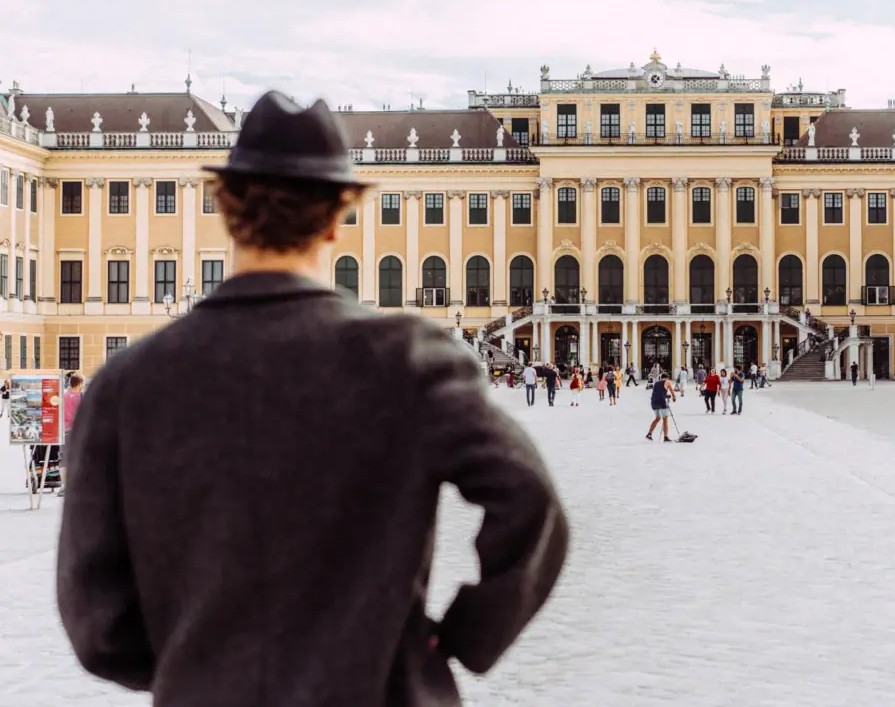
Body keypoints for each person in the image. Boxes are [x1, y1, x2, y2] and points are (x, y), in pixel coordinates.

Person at [56, 92, 569, 706]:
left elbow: (93, 607)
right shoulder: (410, 361)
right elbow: (531, 503)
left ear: (225, 210)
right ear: (335, 219)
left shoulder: (126, 382)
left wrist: (196, 660)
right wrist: (460, 636)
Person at [57, 374, 85, 497]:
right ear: (79, 384)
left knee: (63, 458)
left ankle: (64, 486)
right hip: (78, 430)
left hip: (64, 430)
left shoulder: (63, 396)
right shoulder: (82, 397)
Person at [645, 372, 677, 442]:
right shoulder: (667, 381)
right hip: (661, 402)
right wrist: (674, 398)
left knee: (657, 418)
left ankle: (649, 434)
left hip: (654, 402)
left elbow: (658, 392)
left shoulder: (656, 383)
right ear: (667, 377)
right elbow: (672, 390)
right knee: (665, 419)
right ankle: (665, 437)